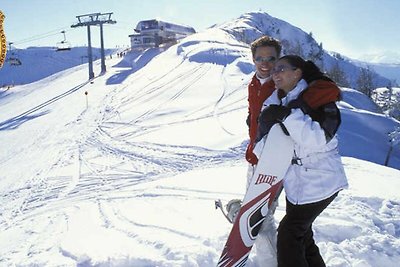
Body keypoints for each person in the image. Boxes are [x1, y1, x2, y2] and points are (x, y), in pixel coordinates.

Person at [256, 55, 348, 267]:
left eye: (281, 68)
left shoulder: (318, 98)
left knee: (289, 235)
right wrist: (264, 127)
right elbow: (263, 149)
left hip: (322, 180)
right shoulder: (274, 101)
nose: (275, 73)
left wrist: (287, 116)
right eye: (274, 69)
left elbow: (318, 139)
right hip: (296, 185)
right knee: (303, 235)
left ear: (298, 73)